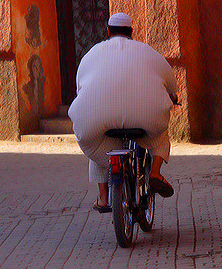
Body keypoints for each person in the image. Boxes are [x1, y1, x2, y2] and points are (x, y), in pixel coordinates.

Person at [68, 12, 178, 213]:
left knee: (100, 147)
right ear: (131, 32)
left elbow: (80, 88)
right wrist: (173, 97)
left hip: (97, 120)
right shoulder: (148, 51)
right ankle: (154, 173)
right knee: (161, 136)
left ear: (108, 31)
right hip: (145, 118)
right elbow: (172, 85)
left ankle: (102, 198)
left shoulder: (91, 54)